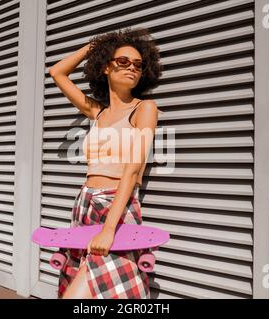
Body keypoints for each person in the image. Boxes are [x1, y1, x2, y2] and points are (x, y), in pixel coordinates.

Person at [48, 27, 163, 299]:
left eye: (138, 64)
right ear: (105, 68)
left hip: (116, 207)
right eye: (122, 61)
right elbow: (57, 73)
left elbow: (133, 168)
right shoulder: (97, 112)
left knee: (89, 293)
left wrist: (110, 229)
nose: (132, 68)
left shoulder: (145, 109)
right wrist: (97, 46)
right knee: (84, 288)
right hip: (85, 204)